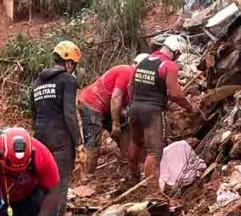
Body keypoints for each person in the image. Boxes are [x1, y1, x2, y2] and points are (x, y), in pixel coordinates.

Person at [127, 35, 196, 183]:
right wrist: (189, 107)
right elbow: (175, 94)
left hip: (135, 107)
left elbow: (130, 86)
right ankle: (151, 188)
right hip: (153, 111)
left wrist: (134, 102)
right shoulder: (168, 65)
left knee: (135, 141)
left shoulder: (143, 61)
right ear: (176, 52)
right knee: (155, 150)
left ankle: (133, 176)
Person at [30, 41, 82, 216]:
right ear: (69, 63)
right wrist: (78, 143)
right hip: (60, 139)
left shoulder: (37, 82)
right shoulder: (68, 80)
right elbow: (69, 113)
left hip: (40, 138)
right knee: (60, 183)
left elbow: (33, 114)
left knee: (43, 182)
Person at [78, 53, 148, 177]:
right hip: (92, 103)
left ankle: (131, 167)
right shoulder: (127, 72)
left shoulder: (134, 80)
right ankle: (87, 176)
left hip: (107, 107)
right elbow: (116, 98)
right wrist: (115, 124)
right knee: (93, 141)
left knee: (125, 132)